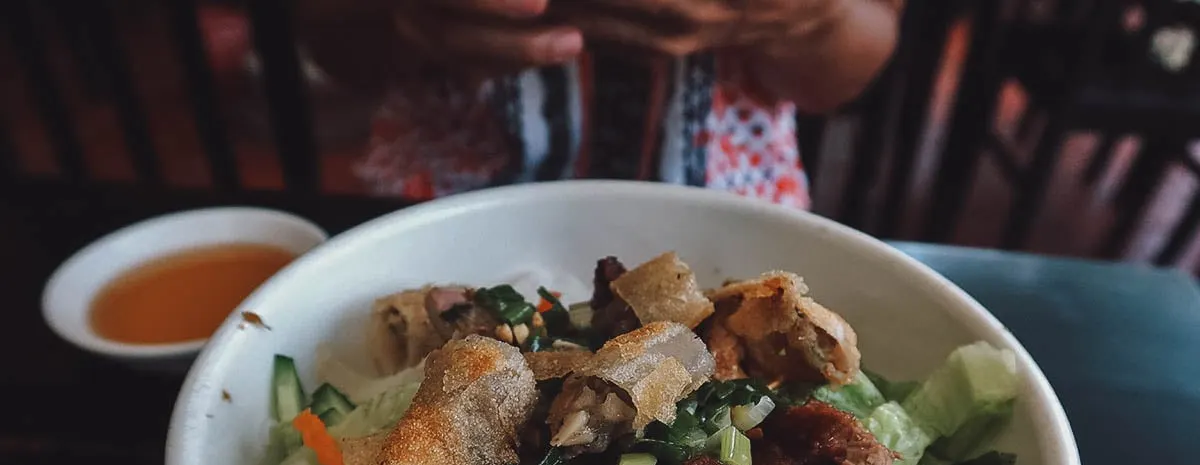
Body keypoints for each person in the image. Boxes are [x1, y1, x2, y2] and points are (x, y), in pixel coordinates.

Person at [295, 0, 904, 208]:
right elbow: (334, 43)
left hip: (733, 224)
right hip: (442, 216)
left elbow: (846, 73)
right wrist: (405, 18)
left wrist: (804, 15)